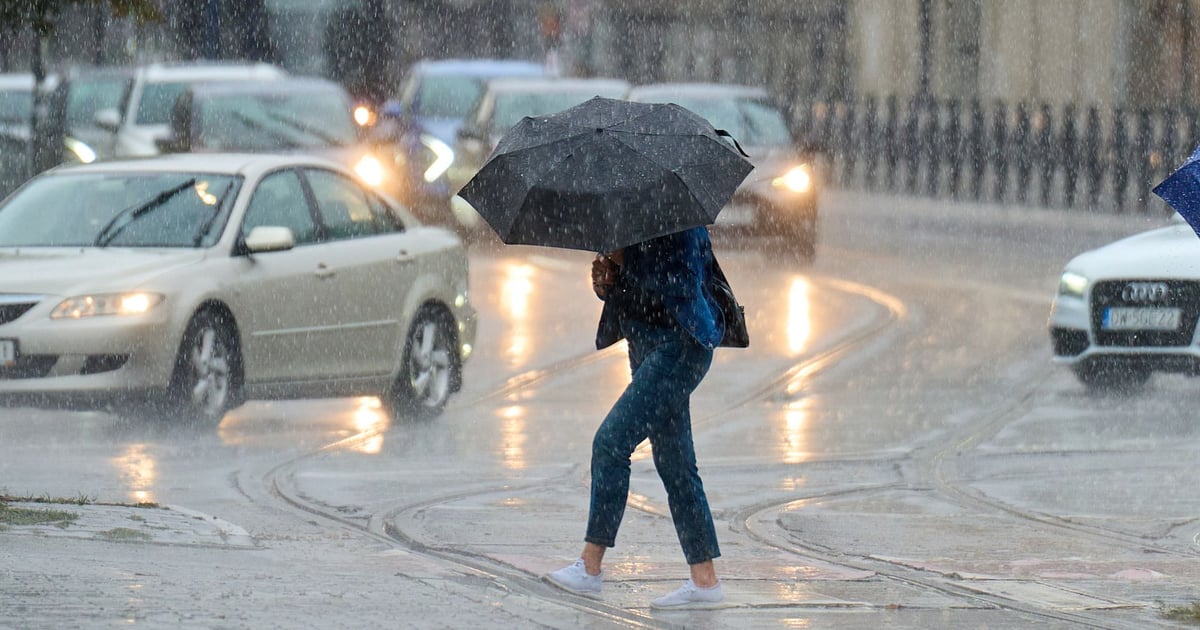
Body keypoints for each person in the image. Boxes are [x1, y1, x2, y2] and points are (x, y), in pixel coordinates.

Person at [544, 225, 726, 609]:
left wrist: (631, 259)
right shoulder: (625, 214)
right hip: (644, 340)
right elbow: (630, 292)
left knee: (610, 442)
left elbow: (684, 282)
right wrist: (608, 279)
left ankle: (590, 567)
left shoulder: (681, 220)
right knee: (675, 462)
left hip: (680, 344)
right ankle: (705, 580)